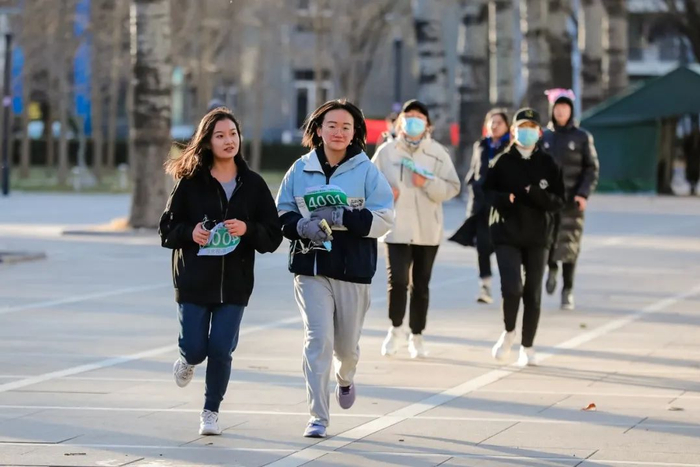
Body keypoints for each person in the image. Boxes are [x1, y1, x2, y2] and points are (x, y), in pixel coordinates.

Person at [159, 107, 282, 436]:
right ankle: (186, 359)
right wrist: (191, 233)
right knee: (196, 348)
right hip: (194, 280)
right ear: (207, 141)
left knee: (221, 349)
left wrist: (247, 228)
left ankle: (210, 411)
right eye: (220, 135)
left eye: (233, 134)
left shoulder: (253, 185)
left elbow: (273, 235)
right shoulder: (190, 183)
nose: (229, 141)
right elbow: (167, 229)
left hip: (235, 284)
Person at [276, 99, 394, 438]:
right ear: (318, 129)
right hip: (310, 268)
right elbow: (281, 211)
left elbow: (385, 218)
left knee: (346, 348)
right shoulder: (300, 169)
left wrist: (343, 216)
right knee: (318, 340)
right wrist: (302, 226)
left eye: (346, 127)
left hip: (353, 270)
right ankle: (318, 417)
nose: (338, 132)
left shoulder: (367, 171)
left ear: (355, 132)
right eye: (331, 125)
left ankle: (345, 377)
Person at [372, 99, 460, 358]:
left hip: (427, 230)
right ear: (400, 122)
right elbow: (369, 183)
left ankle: (417, 335)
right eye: (408, 116)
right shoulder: (387, 152)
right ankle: (395, 328)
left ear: (427, 125)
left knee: (421, 285)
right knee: (398, 281)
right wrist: (385, 192)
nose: (413, 121)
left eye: (419, 118)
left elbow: (453, 187)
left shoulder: (437, 153)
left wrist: (428, 184)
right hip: (396, 228)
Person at [484, 108, 565, 366]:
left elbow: (558, 201)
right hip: (506, 233)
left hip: (538, 236)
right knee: (512, 288)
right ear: (513, 131)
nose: (527, 132)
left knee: (533, 292)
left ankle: (527, 346)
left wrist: (535, 193)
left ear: (539, 132)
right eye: (522, 127)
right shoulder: (501, 162)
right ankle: (509, 331)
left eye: (531, 127)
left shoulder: (548, 164)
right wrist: (504, 198)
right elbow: (486, 193)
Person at [542, 89, 599, 310]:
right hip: (548, 201)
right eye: (557, 108)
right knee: (547, 241)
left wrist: (582, 194)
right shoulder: (544, 137)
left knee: (570, 246)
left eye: (565, 108)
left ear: (571, 111)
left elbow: (591, 168)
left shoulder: (582, 137)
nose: (561, 112)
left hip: (572, 202)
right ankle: (551, 268)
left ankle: (568, 290)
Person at [449, 109, 511, 304]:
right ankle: (485, 285)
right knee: (482, 246)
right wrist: (474, 190)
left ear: (507, 126)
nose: (495, 125)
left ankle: (511, 286)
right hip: (482, 205)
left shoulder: (512, 147)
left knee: (504, 247)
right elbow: (474, 172)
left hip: (504, 207)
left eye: (499, 122)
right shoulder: (481, 146)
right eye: (491, 122)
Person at [683, 125, 700, 196]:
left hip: (696, 159)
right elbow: (685, 147)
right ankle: (692, 186)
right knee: (691, 172)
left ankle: (693, 186)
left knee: (695, 172)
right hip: (691, 158)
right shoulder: (689, 139)